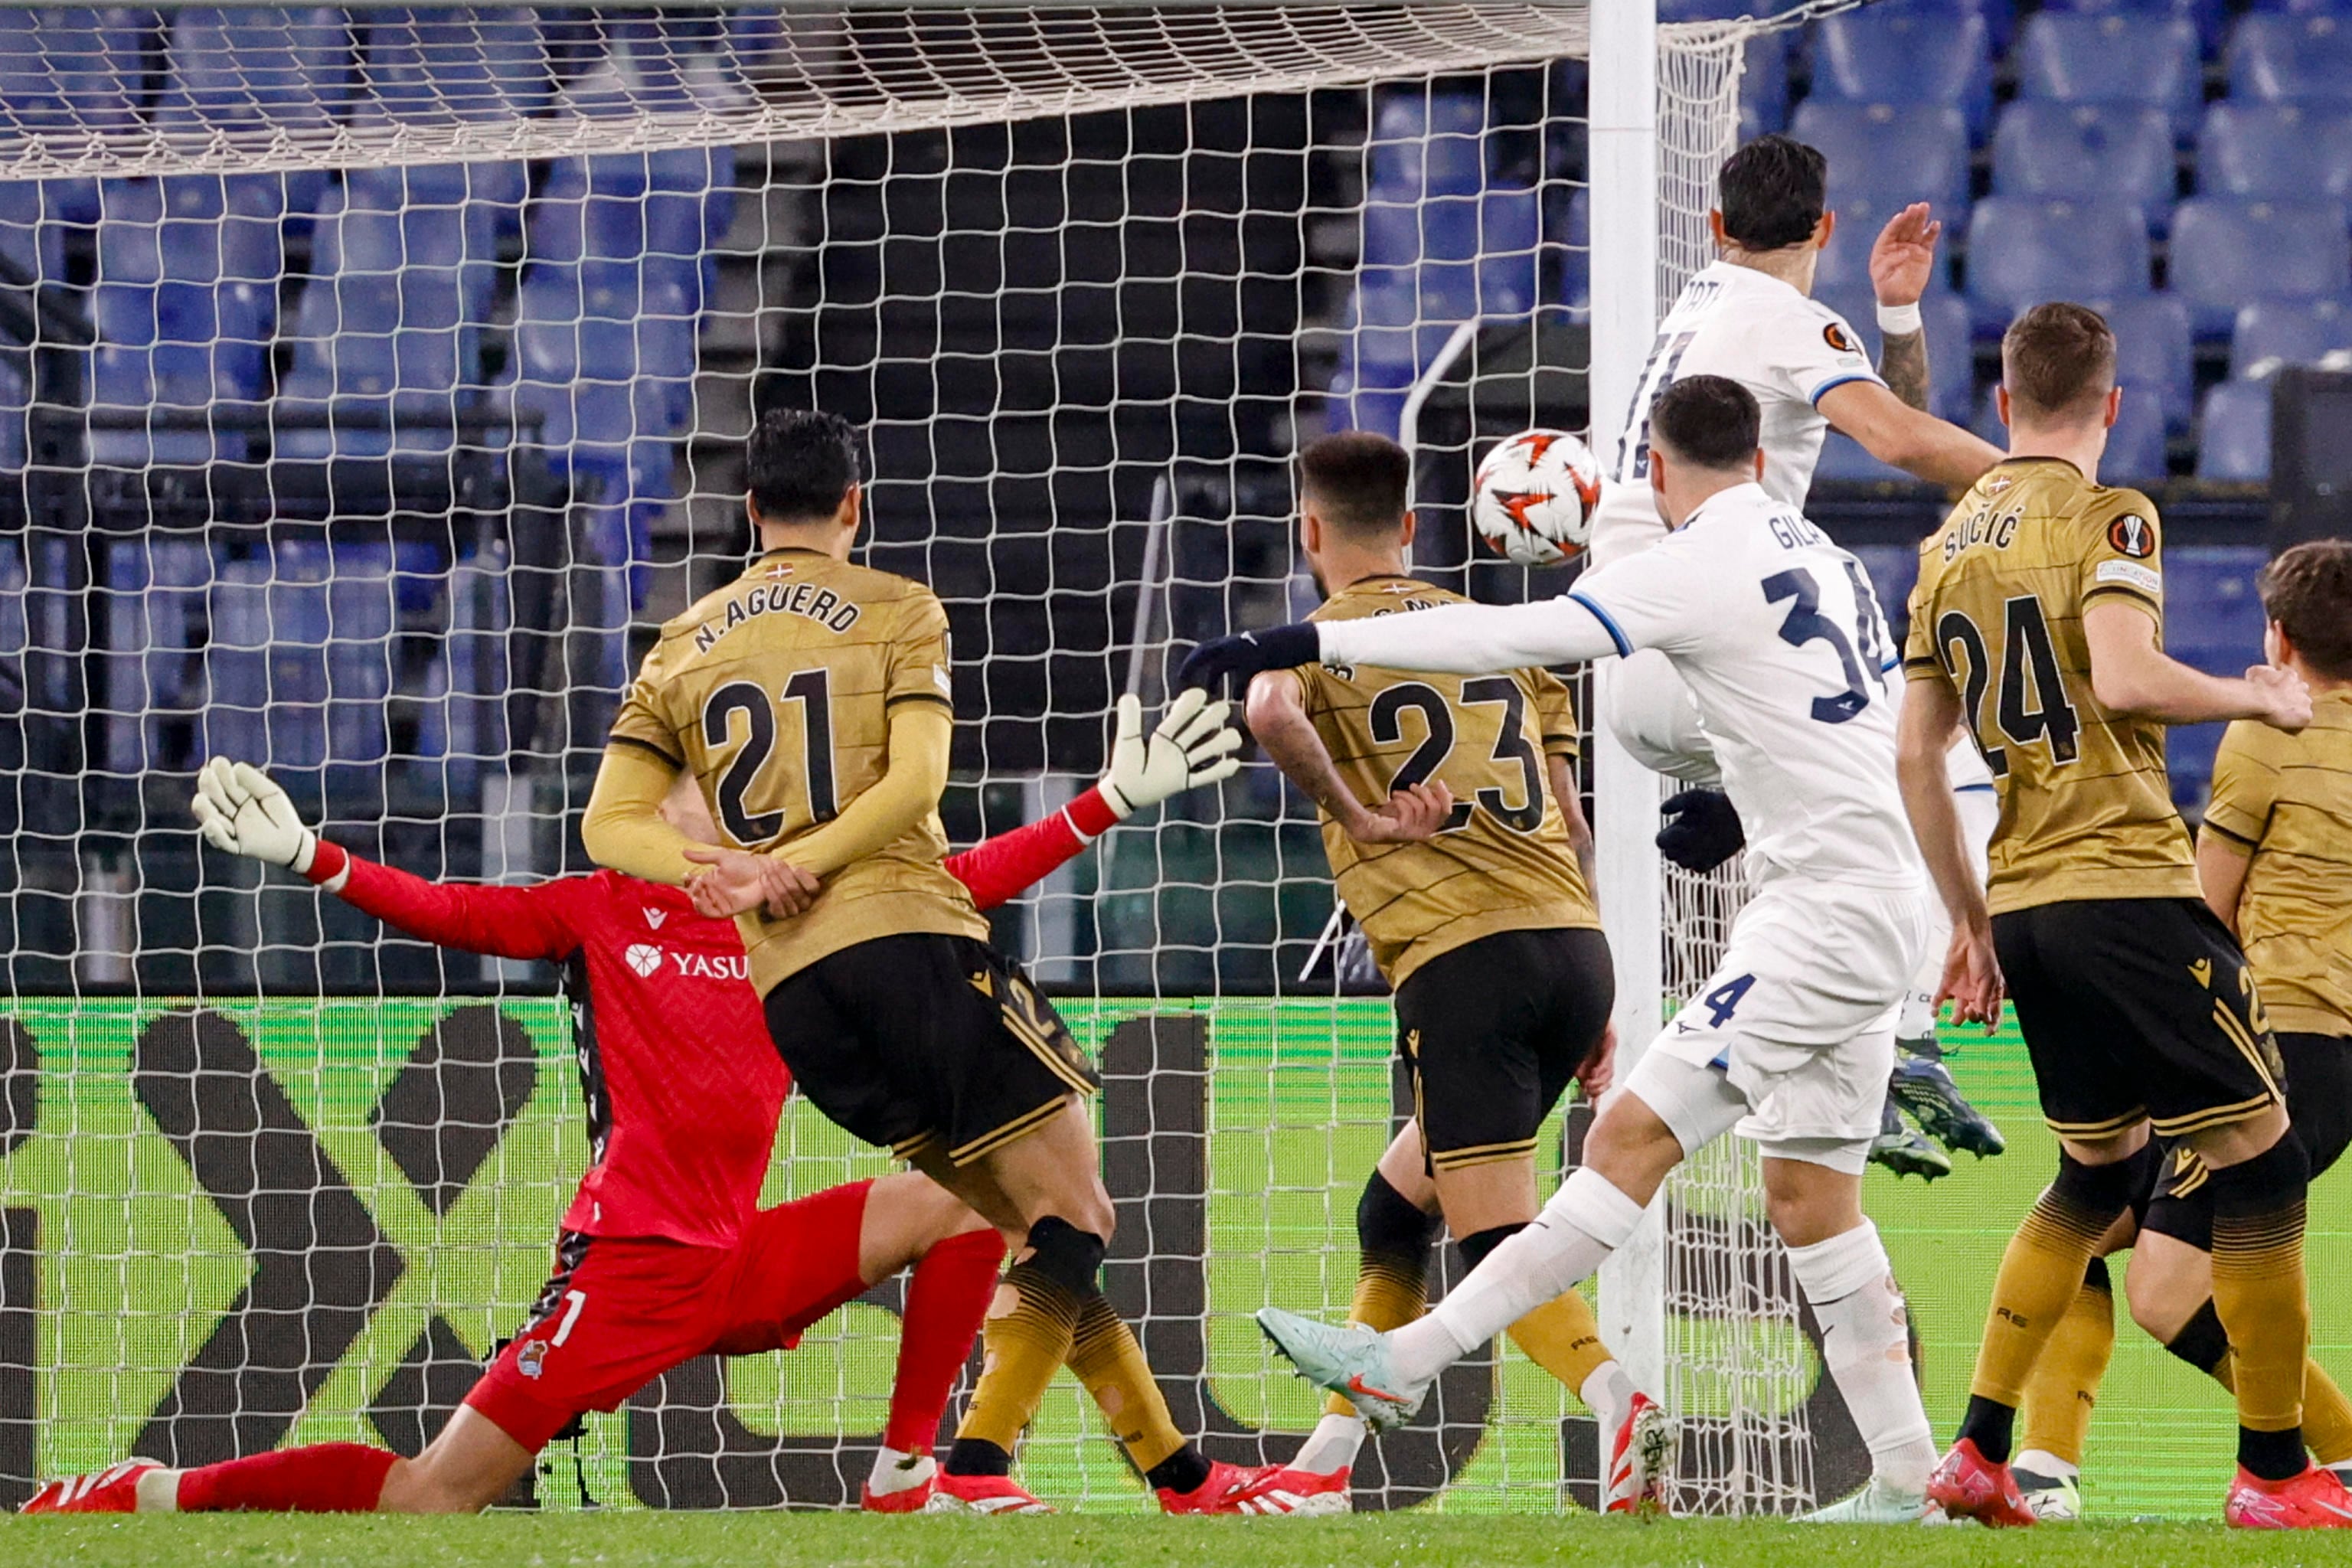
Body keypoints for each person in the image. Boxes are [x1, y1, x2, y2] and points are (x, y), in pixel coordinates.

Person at [18, 679, 1242, 1517]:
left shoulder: (801, 903)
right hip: (630, 1264)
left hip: (739, 1256)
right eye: (696, 775)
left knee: (970, 1200)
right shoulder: (599, 905)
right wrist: (312, 858)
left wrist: (1106, 806)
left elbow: (965, 874)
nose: (728, 793)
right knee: (435, 1492)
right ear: (658, 805)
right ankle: (150, 1489)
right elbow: (457, 913)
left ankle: (908, 1468)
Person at [1187, 375, 1945, 1524]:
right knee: (1809, 1201)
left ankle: (1411, 1359)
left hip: (1814, 912)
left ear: (1649, 464)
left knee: (1634, 1134)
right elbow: (1849, 713)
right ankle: (1903, 1478)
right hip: (1876, 894)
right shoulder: (1827, 554)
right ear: (1757, 453)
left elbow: (1510, 628)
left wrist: (1286, 639)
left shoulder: (1692, 559)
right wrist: (1740, 805)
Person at [572, 408, 1309, 1517]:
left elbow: (604, 828)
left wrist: (717, 870)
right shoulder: (895, 608)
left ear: (747, 512)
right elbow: (915, 788)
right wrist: (798, 863)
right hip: (909, 946)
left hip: (801, 1005)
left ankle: (1181, 1478)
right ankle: (972, 1465)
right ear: (853, 507)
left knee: (1035, 1223)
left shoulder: (678, 644)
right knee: (1081, 1216)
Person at [1896, 302, 2338, 1530]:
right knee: (2265, 1153)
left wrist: (1970, 922)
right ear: (2114, 403)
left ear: (2001, 401)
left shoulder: (1944, 549)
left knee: (2097, 1171)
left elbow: (1918, 762)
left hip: (2029, 901)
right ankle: (2276, 1472)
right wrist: (2260, 696)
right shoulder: (2113, 513)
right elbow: (2129, 675)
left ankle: (1980, 1453)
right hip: (2130, 886)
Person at [1236, 430, 1662, 1515]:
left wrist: (1362, 817)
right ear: (1417, 529)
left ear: (1310, 530)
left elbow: (1270, 712)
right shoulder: (1506, 632)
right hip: (1570, 948)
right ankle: (1322, 1472)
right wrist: (1597, 980)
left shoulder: (1315, 635)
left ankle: (1618, 1401)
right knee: (1394, 1213)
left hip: (1465, 960)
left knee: (1491, 1247)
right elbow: (1572, 818)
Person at [1592, 132, 2007, 1174]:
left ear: (1717, 227)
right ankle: (1903, 1039)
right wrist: (2047, 488)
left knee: (1822, 846)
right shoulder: (1784, 319)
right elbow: (1906, 442)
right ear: (1824, 226)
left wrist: (1897, 316)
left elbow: (1891, 406)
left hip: (1644, 667)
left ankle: (1848, 1076)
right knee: (1935, 756)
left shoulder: (1699, 305)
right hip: (1709, 645)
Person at [2007, 539, 2352, 1521]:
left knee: (2159, 1285)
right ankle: (2045, 1467)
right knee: (2093, 1214)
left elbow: (2207, 912)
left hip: (2264, 1046)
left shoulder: (2265, 736)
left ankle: (2334, 1452)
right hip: (2331, 1058)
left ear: (2277, 637)